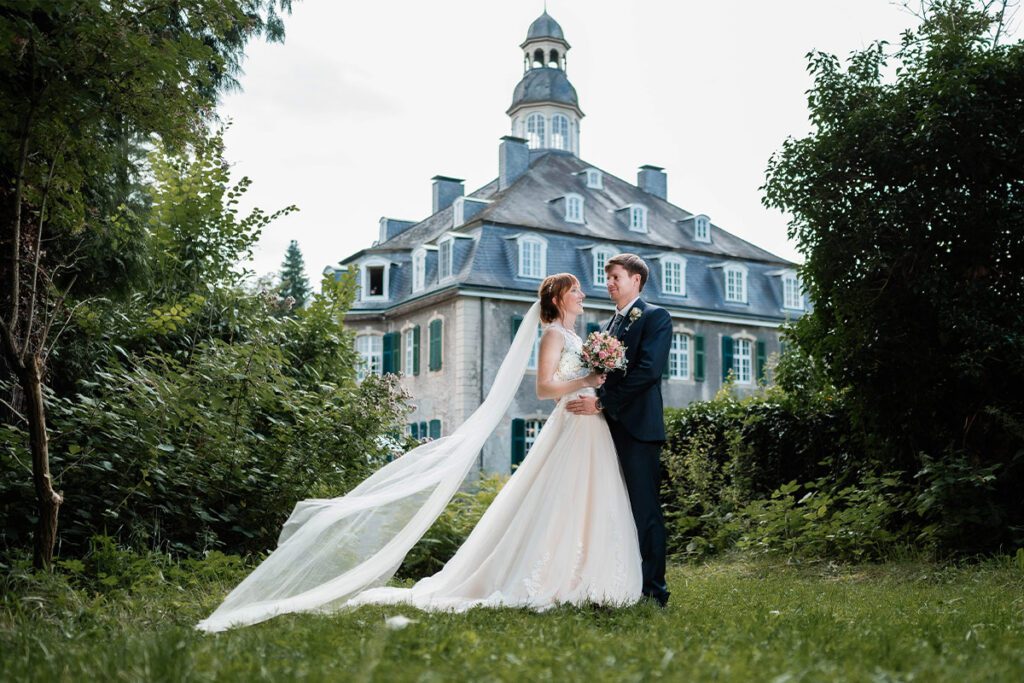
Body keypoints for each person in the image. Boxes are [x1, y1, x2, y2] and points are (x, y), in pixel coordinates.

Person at [197, 273, 641, 632]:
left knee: (587, 501)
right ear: (561, 297)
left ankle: (591, 572)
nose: (585, 294)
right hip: (570, 423)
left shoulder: (574, 334)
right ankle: (551, 575)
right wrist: (586, 381)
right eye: (578, 289)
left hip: (590, 425)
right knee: (558, 502)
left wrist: (598, 380)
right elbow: (545, 388)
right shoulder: (551, 337)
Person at [566, 254, 672, 607]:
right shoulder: (610, 324)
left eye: (615, 277)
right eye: (607, 277)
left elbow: (647, 372)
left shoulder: (656, 317)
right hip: (607, 429)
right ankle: (620, 583)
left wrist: (602, 403)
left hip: (639, 429)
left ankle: (654, 592)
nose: (608, 282)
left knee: (645, 511)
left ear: (636, 280)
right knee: (613, 509)